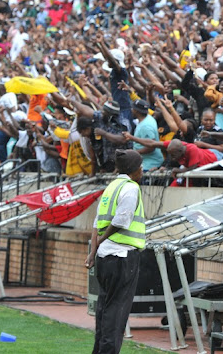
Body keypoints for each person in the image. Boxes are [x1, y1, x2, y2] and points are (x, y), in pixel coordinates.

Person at [85, 149, 145, 354]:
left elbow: (96, 221)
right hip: (122, 257)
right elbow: (121, 220)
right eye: (141, 167)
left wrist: (94, 251)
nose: (143, 170)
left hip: (105, 258)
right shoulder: (131, 188)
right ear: (134, 169)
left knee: (104, 308)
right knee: (116, 312)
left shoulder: (111, 187)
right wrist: (100, 242)